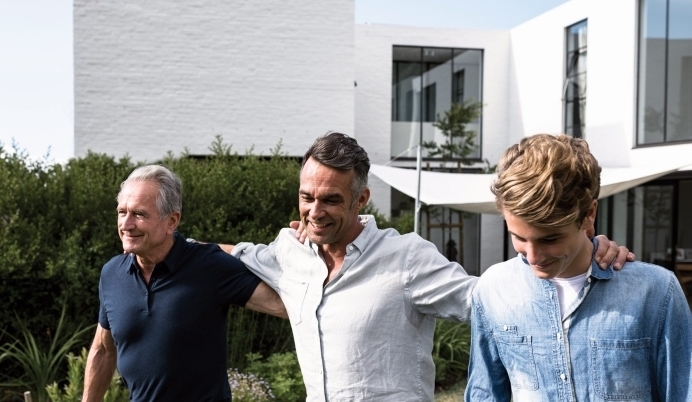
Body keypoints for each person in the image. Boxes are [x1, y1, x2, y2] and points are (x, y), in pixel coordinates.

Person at [224, 132, 633, 401]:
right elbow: (221, 255)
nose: (315, 211)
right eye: (307, 197)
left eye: (331, 199)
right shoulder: (289, 252)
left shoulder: (406, 257)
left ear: (361, 199)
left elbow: (489, 300)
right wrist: (182, 244)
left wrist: (585, 250)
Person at [465, 134, 692, 401]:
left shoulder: (655, 292)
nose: (533, 256)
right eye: (519, 237)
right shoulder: (493, 289)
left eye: (550, 239)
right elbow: (484, 394)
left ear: (589, 214)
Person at [82, 165, 287, 402]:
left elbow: (283, 306)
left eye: (139, 214)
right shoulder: (112, 273)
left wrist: (306, 246)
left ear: (172, 221)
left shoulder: (209, 265)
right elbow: (103, 350)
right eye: (122, 212)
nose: (126, 225)